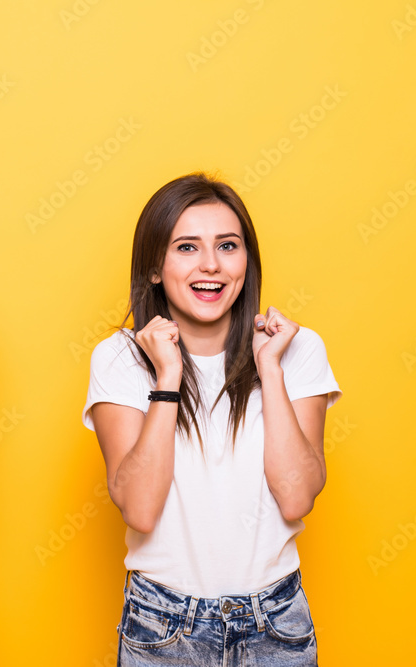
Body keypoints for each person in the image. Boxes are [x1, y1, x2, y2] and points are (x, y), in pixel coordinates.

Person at [83, 173, 340, 666]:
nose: (211, 266)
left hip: (276, 624)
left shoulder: (296, 348)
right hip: (163, 625)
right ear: (154, 267)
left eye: (228, 245)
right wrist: (168, 376)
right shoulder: (119, 357)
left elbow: (296, 495)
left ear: (247, 260)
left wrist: (270, 368)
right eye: (186, 247)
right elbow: (138, 508)